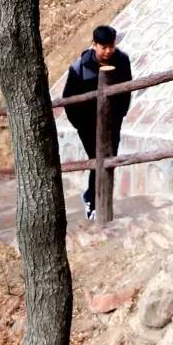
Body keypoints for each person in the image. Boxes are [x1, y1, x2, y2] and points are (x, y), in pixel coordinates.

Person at [62, 24, 133, 221]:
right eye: (104, 47)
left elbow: (127, 89)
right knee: (97, 158)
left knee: (110, 158)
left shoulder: (122, 60)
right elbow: (68, 99)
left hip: (113, 121)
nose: (108, 51)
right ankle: (94, 203)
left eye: (111, 46)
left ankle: (98, 198)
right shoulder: (79, 68)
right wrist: (80, 124)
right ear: (94, 45)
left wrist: (120, 115)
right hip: (87, 124)